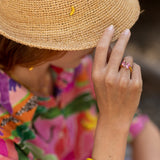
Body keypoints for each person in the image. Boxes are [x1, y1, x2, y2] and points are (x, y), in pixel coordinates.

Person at [0, 0, 160, 160]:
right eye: (82, 31)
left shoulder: (77, 68)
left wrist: (121, 113)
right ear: (42, 35)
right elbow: (122, 124)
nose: (98, 41)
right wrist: (114, 126)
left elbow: (142, 130)